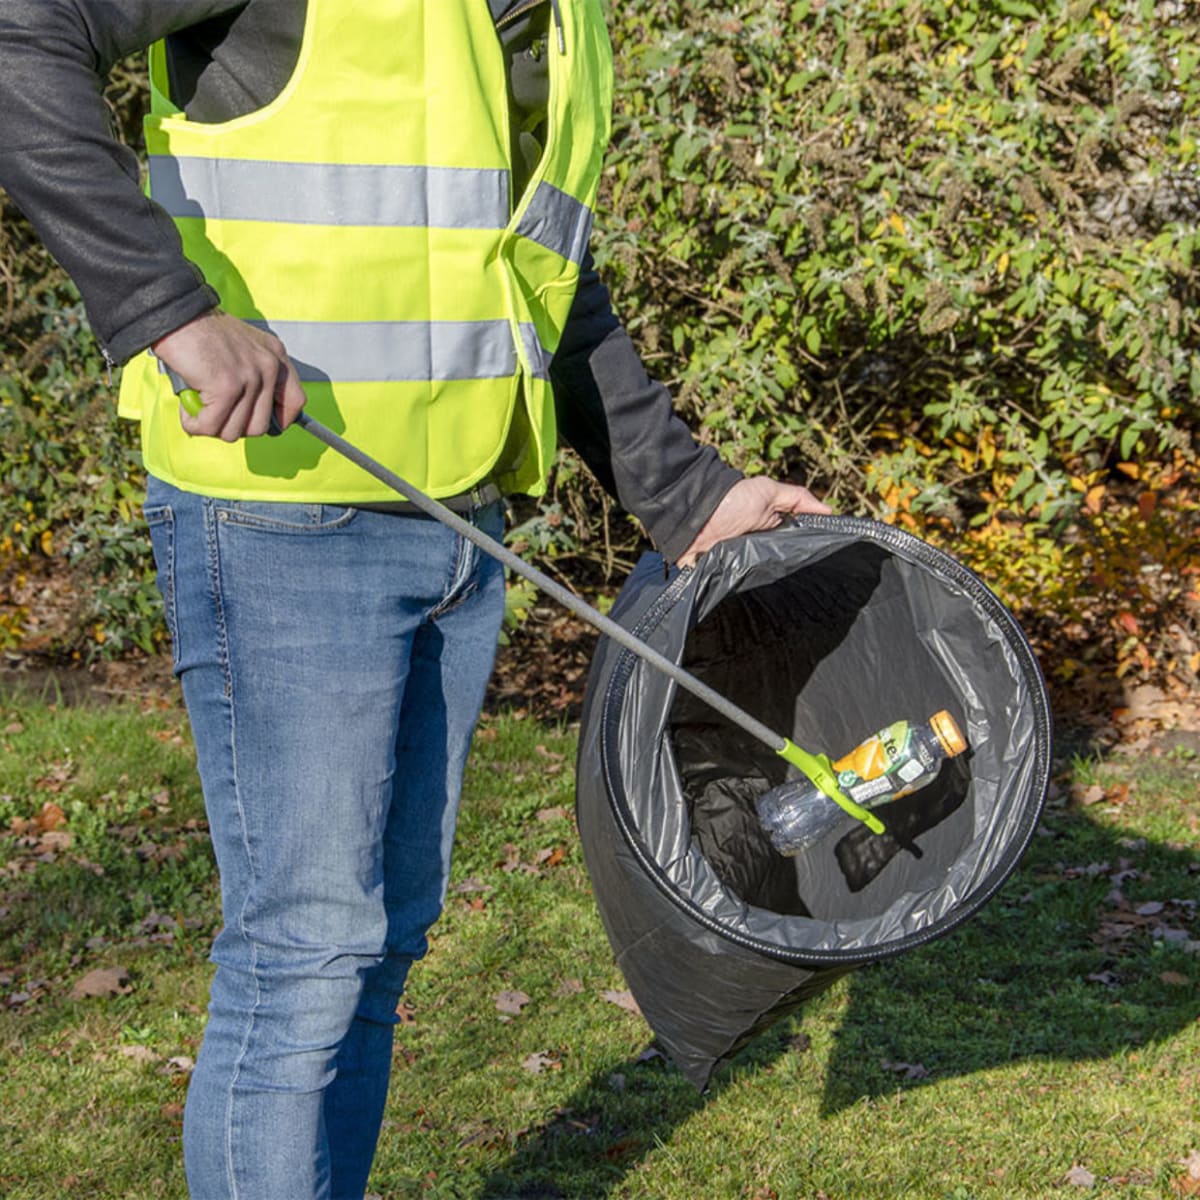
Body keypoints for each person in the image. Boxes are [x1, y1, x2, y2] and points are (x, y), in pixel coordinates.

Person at [0, 2, 831, 1196]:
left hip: (455, 528)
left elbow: (534, 278)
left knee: (378, 944)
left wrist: (690, 498)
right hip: (280, 513)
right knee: (307, 952)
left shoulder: (563, 19)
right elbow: (22, 34)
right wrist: (167, 309)